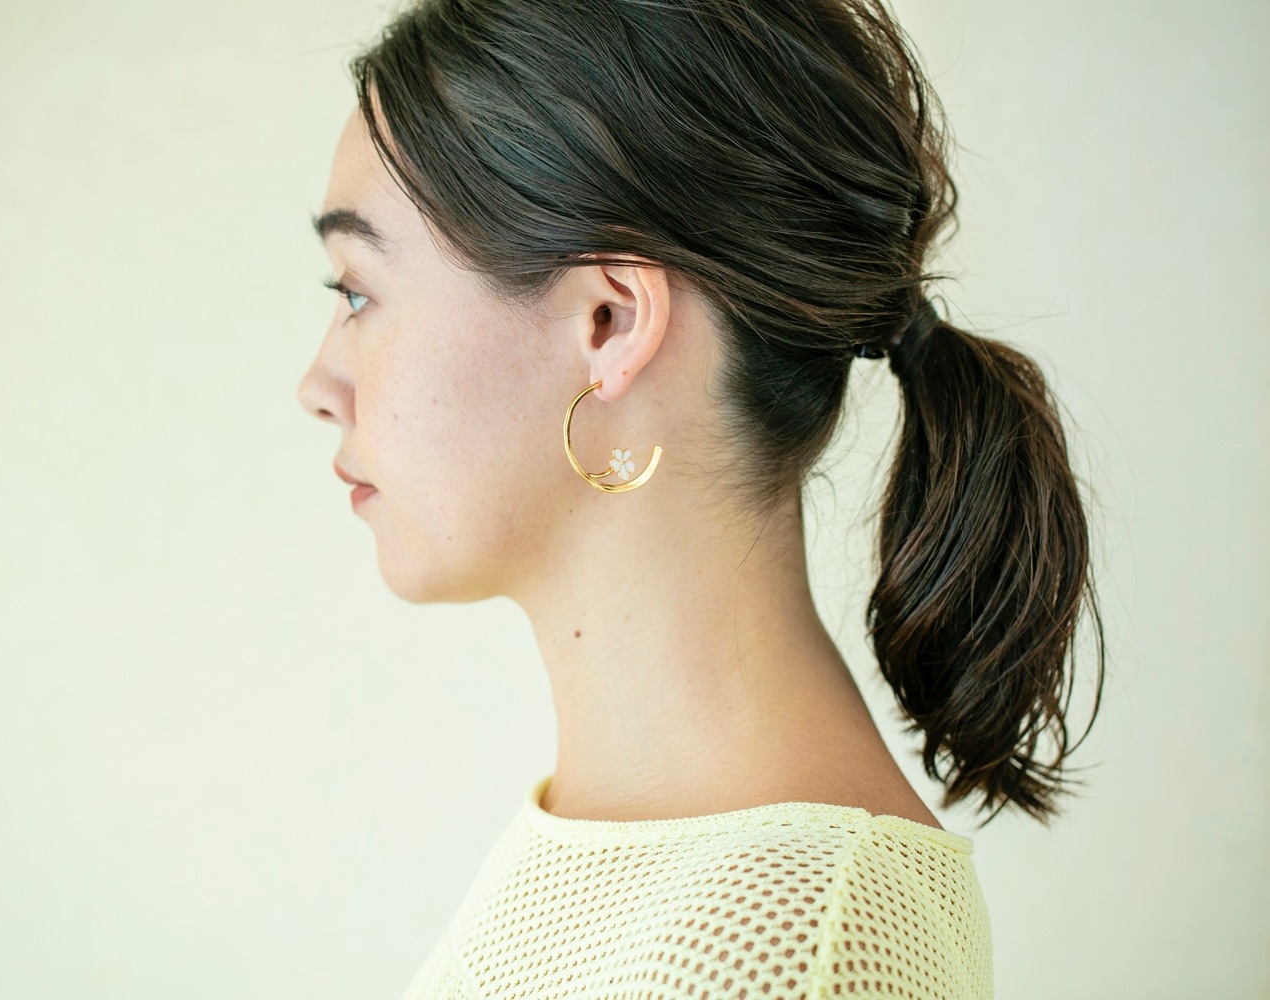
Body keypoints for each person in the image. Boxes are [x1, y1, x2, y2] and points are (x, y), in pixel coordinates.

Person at [297, 1, 1104, 996]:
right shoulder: (624, 850)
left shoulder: (791, 947)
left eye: (357, 291)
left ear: (609, 320)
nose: (317, 385)